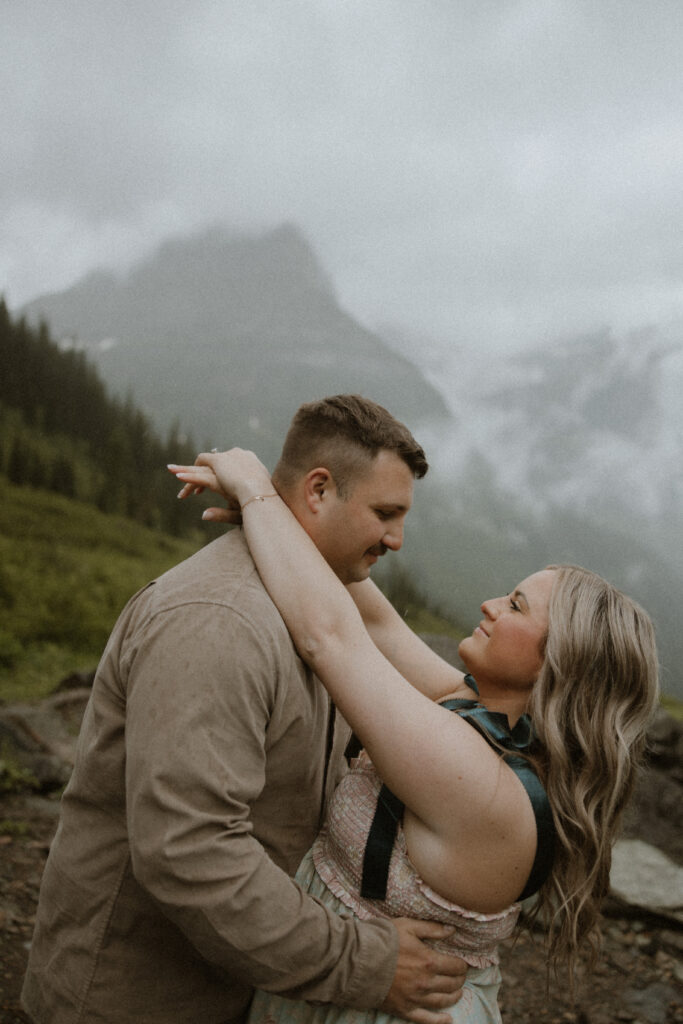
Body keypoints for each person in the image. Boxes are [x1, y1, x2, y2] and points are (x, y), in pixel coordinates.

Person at [168, 446, 660, 1023]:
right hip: (358, 983)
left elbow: (330, 636)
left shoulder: (475, 778)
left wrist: (253, 489)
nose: (490, 604)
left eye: (516, 606)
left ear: (558, 665)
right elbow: (373, 619)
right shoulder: (481, 718)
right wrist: (290, 509)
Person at [22, 396, 469, 1024]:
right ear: (318, 491)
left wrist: (267, 508)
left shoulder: (322, 608)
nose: (396, 539)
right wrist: (365, 963)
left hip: (237, 988)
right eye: (385, 513)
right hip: (134, 1000)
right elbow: (189, 850)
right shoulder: (220, 621)